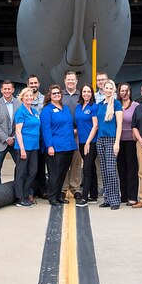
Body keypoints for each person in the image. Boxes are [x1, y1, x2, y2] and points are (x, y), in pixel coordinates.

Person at [39, 84, 75, 205]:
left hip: (68, 145)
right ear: (49, 95)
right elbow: (46, 129)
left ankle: (59, 195)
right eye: (54, 93)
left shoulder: (65, 108)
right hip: (55, 147)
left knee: (63, 173)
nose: (56, 95)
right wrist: (49, 146)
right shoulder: (46, 110)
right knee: (54, 173)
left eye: (58, 93)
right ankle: (52, 197)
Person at [94, 79, 123, 209]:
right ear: (103, 89)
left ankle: (115, 199)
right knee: (104, 170)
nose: (108, 90)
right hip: (100, 139)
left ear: (113, 90)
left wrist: (117, 142)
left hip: (111, 139)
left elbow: (119, 124)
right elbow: (96, 124)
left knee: (111, 170)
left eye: (111, 88)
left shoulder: (116, 104)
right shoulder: (100, 105)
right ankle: (107, 198)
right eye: (106, 88)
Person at [13, 88, 41, 207]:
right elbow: (18, 132)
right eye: (27, 96)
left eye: (31, 95)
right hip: (24, 146)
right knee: (21, 172)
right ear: (22, 98)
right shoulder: (21, 112)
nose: (29, 97)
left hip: (34, 146)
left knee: (33, 171)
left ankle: (26, 193)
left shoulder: (34, 111)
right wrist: (22, 149)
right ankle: (19, 198)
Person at [0, 80, 20, 187]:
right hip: (0, 142)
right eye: (5, 89)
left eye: (9, 89)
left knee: (21, 167)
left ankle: (18, 189)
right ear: (1, 90)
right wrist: (6, 138)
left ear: (13, 90)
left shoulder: (19, 104)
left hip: (16, 141)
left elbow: (21, 123)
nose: (7, 91)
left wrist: (14, 138)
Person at [60, 71, 84, 205]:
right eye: (68, 79)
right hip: (63, 134)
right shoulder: (59, 95)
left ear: (76, 81)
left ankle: (75, 189)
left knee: (76, 162)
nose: (70, 82)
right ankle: (63, 189)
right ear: (65, 81)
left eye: (72, 80)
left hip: (78, 134)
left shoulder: (81, 95)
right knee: (63, 162)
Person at [74, 84, 99, 205]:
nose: (86, 94)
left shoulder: (94, 107)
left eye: (89, 92)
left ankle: (84, 197)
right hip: (81, 142)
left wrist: (88, 142)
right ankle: (94, 195)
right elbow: (78, 125)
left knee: (87, 168)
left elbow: (95, 126)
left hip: (91, 142)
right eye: (84, 92)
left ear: (92, 93)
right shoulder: (78, 107)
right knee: (91, 167)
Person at [116, 82, 139, 205]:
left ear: (130, 91)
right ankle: (123, 195)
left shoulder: (135, 106)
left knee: (132, 169)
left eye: (126, 90)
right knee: (121, 169)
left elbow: (139, 122)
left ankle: (132, 196)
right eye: (122, 90)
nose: (124, 93)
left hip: (131, 141)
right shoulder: (116, 105)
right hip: (119, 141)